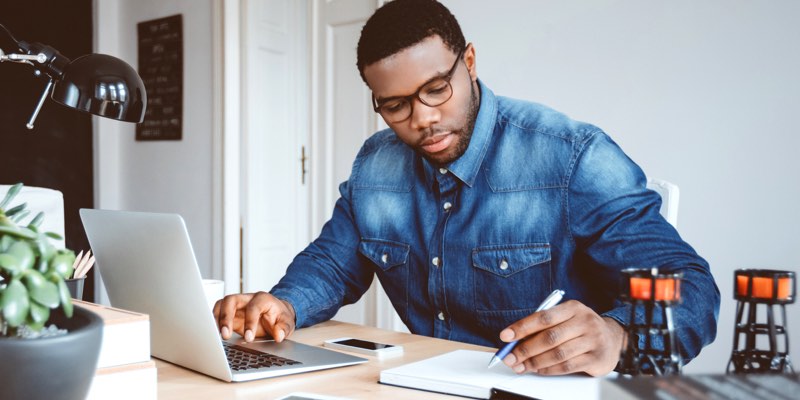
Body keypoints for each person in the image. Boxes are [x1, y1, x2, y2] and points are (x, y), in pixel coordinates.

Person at [215, 0, 719, 376]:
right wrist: (283, 305)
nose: (424, 119)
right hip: (422, 385)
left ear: (470, 62)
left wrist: (617, 335)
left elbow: (692, 287)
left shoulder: (570, 156)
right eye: (395, 106)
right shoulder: (375, 165)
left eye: (437, 89)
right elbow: (332, 263)